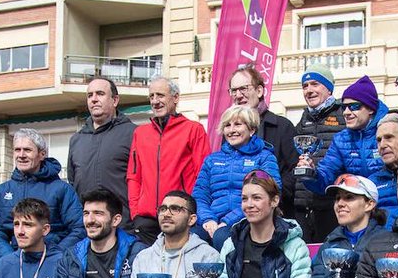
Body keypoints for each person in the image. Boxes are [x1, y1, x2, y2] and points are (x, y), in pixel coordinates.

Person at [127, 77, 208, 244]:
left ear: (175, 98)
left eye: (160, 95)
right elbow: (134, 176)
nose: (155, 101)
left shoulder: (194, 130)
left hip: (180, 216)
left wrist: (192, 211)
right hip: (147, 219)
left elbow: (203, 175)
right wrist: (136, 212)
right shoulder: (140, 133)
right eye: (151, 96)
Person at [193, 104, 282, 249]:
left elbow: (272, 192)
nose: (232, 130)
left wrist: (228, 221)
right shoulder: (212, 160)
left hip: (247, 220)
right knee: (190, 237)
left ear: (252, 129)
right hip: (213, 222)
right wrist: (208, 219)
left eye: (238, 124)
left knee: (222, 237)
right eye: (227, 125)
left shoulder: (264, 157)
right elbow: (200, 195)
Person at [0, 128, 85, 258]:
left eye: (27, 150)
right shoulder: (0, 192)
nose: (21, 155)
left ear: (42, 154)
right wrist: (10, 259)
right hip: (14, 264)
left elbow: (79, 228)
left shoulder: (62, 189)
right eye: (17, 150)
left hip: (52, 263)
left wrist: (55, 256)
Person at [302, 77, 389, 213]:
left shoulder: (390, 130)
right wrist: (311, 174)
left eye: (354, 106)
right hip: (356, 212)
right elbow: (325, 177)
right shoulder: (341, 139)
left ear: (371, 108)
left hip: (389, 207)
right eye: (344, 107)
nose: (346, 112)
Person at [228, 65, 299, 219]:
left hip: (275, 213)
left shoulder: (282, 126)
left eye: (244, 88)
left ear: (259, 91)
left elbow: (295, 171)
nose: (238, 95)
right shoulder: (229, 131)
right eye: (234, 91)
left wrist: (271, 196)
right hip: (235, 212)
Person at [68, 77, 137, 222]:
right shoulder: (76, 140)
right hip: (87, 228)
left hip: (123, 227)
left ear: (115, 100)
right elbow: (73, 182)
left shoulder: (134, 134)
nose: (94, 99)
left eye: (100, 93)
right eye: (90, 95)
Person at [293, 63, 344, 242]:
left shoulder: (343, 114)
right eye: (305, 86)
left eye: (315, 84)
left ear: (329, 88)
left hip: (331, 203)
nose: (309, 90)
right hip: (303, 206)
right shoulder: (303, 120)